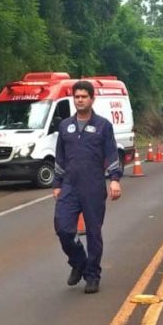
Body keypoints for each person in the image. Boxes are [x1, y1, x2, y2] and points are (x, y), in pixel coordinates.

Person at [53, 81, 122, 294]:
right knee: (63, 228)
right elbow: (60, 157)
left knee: (93, 233)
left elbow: (112, 154)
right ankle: (78, 261)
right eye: (77, 96)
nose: (80, 99)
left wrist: (114, 179)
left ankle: (92, 275)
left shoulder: (103, 126)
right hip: (69, 186)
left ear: (92, 99)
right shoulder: (65, 126)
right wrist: (57, 184)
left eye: (84, 96)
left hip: (93, 187)